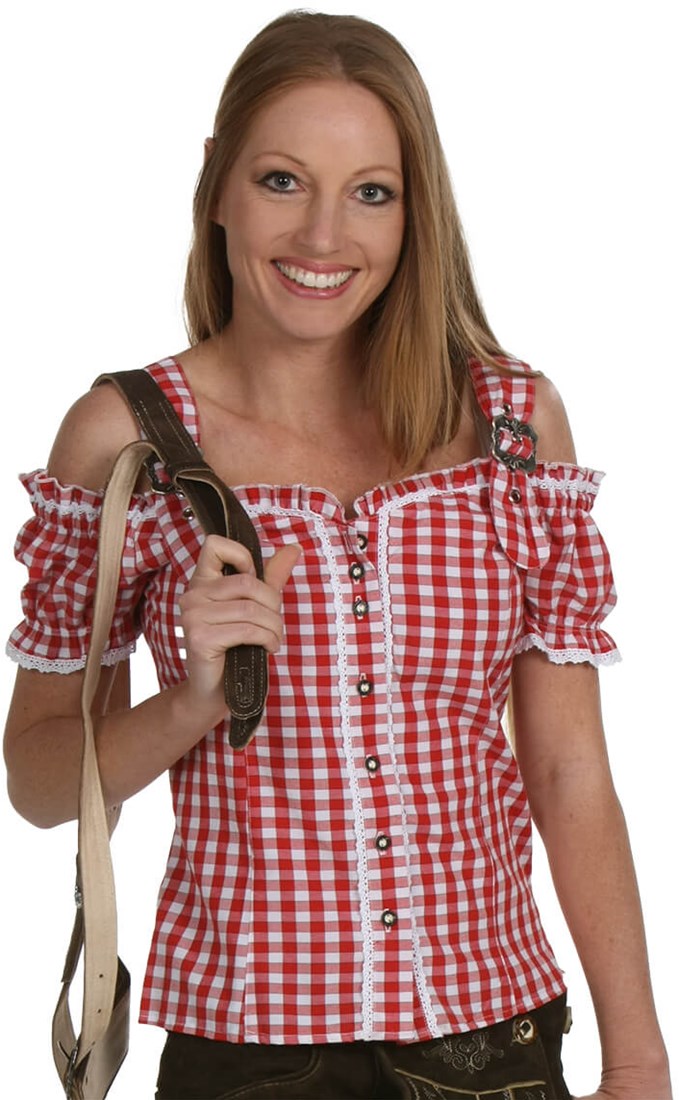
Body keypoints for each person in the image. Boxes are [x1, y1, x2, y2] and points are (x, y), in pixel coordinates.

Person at [3, 10, 671, 1099]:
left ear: (414, 214)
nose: (322, 236)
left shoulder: (510, 429)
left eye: (371, 192)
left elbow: (569, 769)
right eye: (282, 180)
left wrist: (637, 1057)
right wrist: (191, 703)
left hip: (494, 1046)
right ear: (218, 184)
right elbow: (39, 783)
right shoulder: (126, 442)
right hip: (246, 1053)